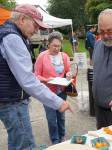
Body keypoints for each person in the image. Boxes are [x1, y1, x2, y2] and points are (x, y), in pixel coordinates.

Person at [0, 4, 72, 150]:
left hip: (9, 100)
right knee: (25, 144)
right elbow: (28, 80)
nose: (37, 30)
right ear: (22, 19)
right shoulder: (13, 37)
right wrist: (57, 102)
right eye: (35, 25)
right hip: (13, 102)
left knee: (16, 142)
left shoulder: (9, 33)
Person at [34, 31, 72, 144]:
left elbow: (68, 70)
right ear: (48, 44)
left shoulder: (64, 56)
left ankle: (62, 136)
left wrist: (69, 74)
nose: (57, 48)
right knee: (51, 119)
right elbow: (36, 76)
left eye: (59, 46)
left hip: (62, 92)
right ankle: (55, 140)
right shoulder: (42, 56)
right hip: (47, 93)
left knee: (61, 116)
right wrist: (47, 80)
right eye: (54, 45)